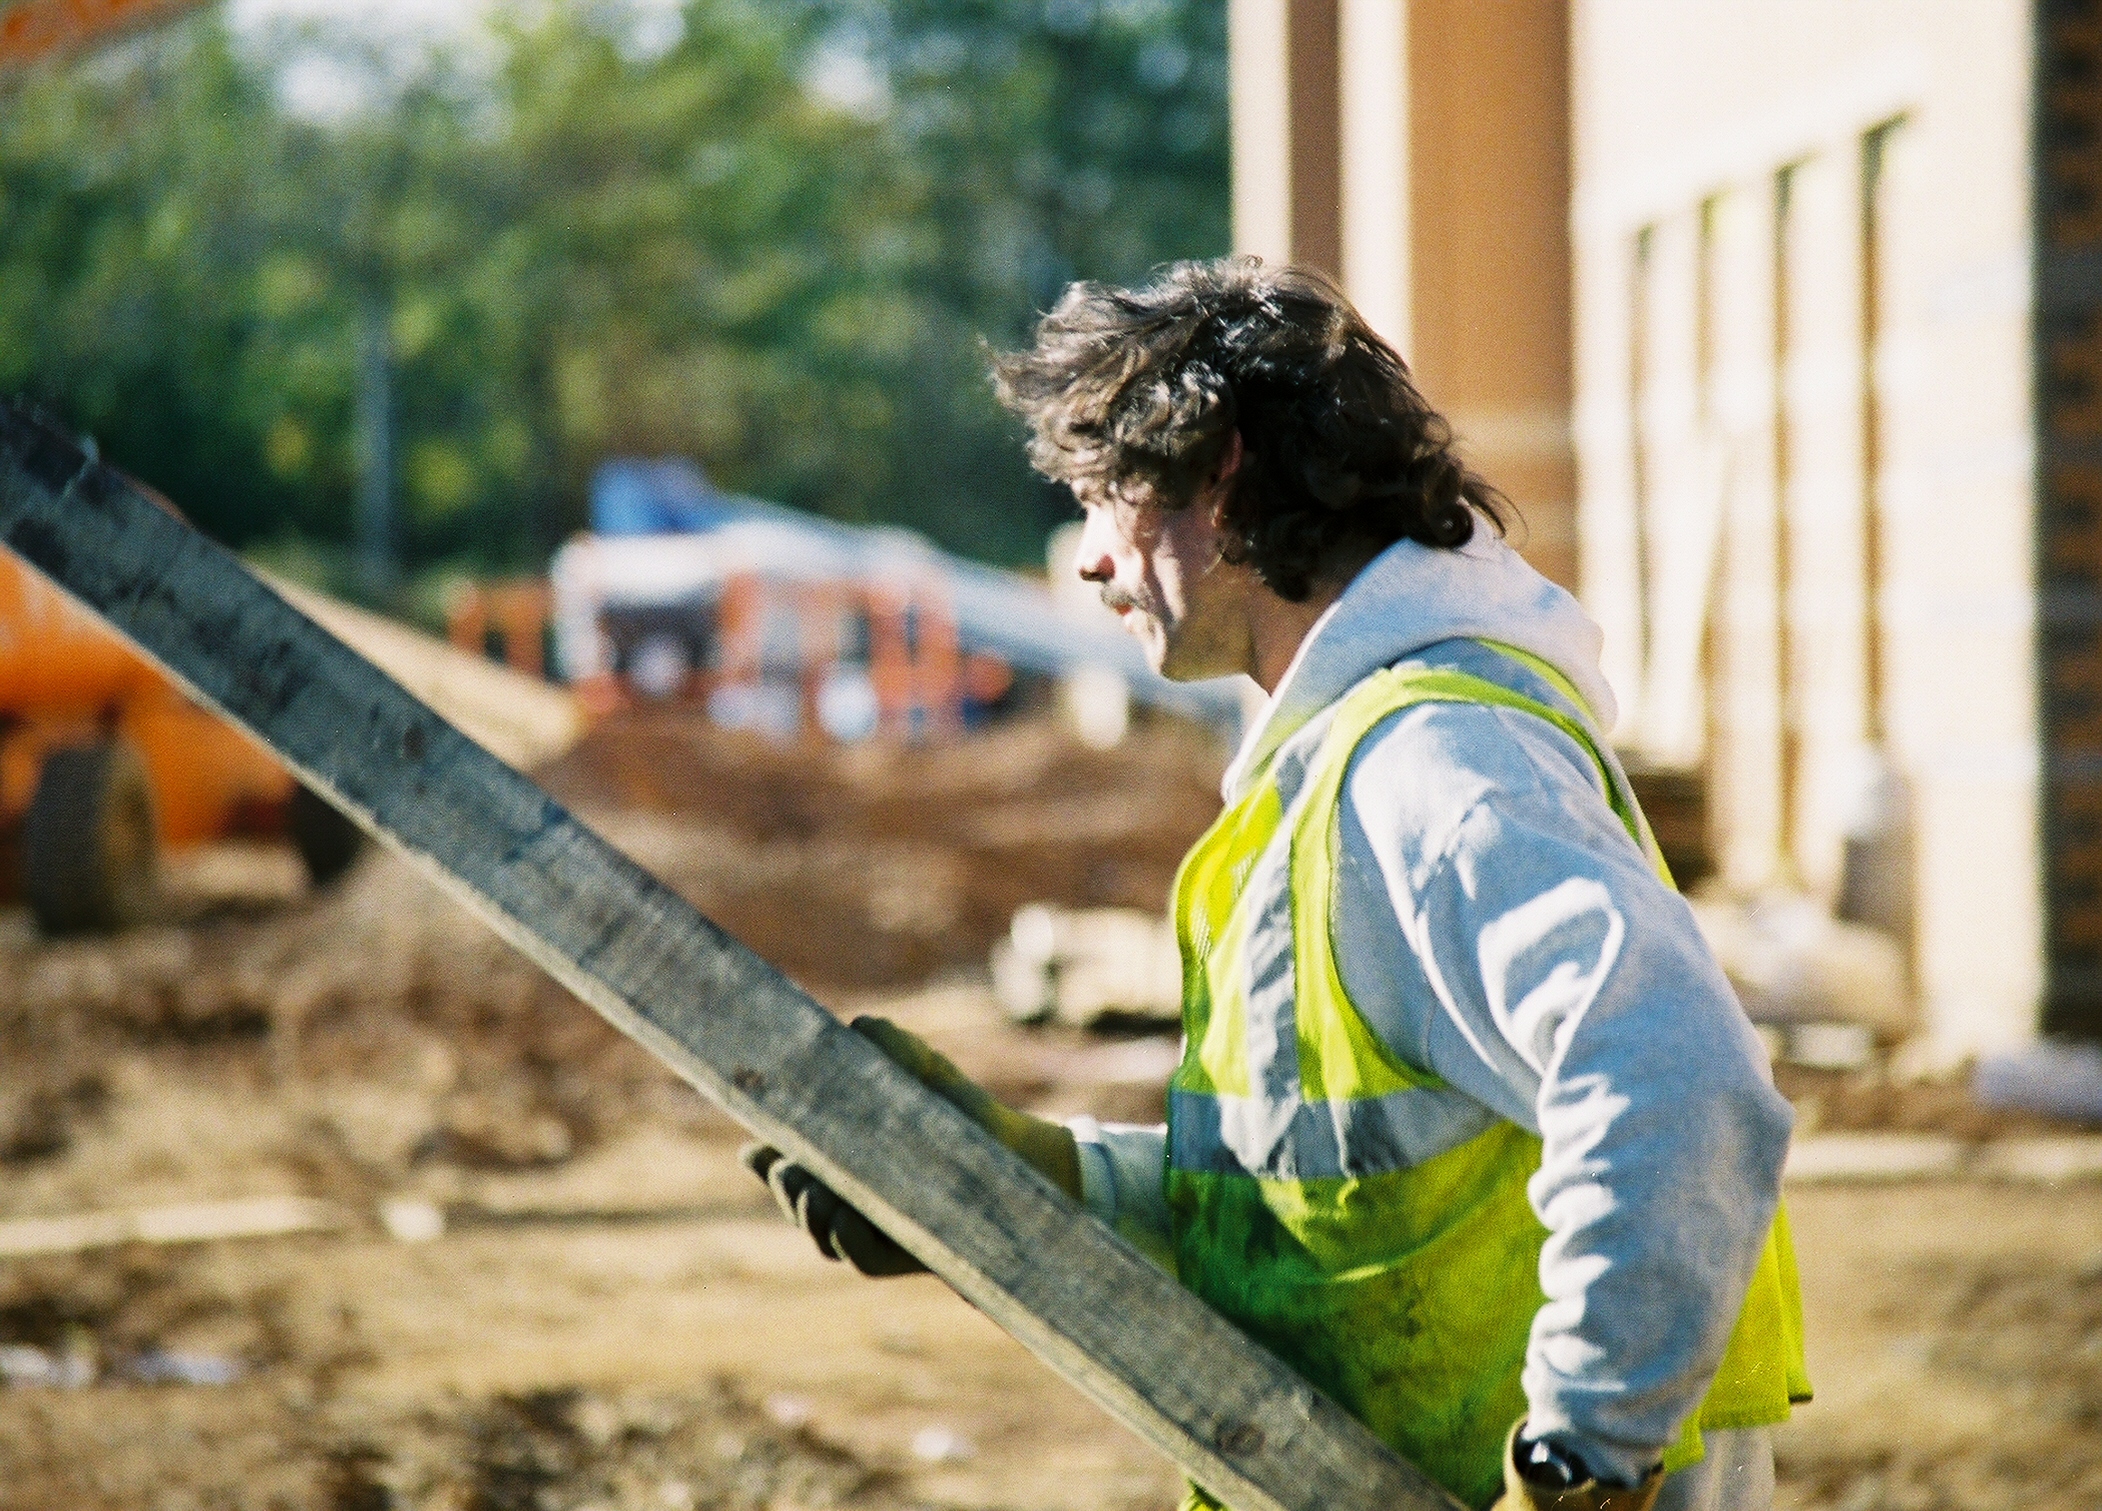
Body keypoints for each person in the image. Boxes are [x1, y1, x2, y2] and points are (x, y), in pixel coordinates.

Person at [743, 258, 1809, 1511]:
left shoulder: (1434, 768)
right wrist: (1046, 1172)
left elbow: (1680, 1082)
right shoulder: (1341, 768)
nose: (1086, 561)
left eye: (1100, 498)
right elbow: (1327, 1200)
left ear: (1222, 474)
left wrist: (1577, 1462)